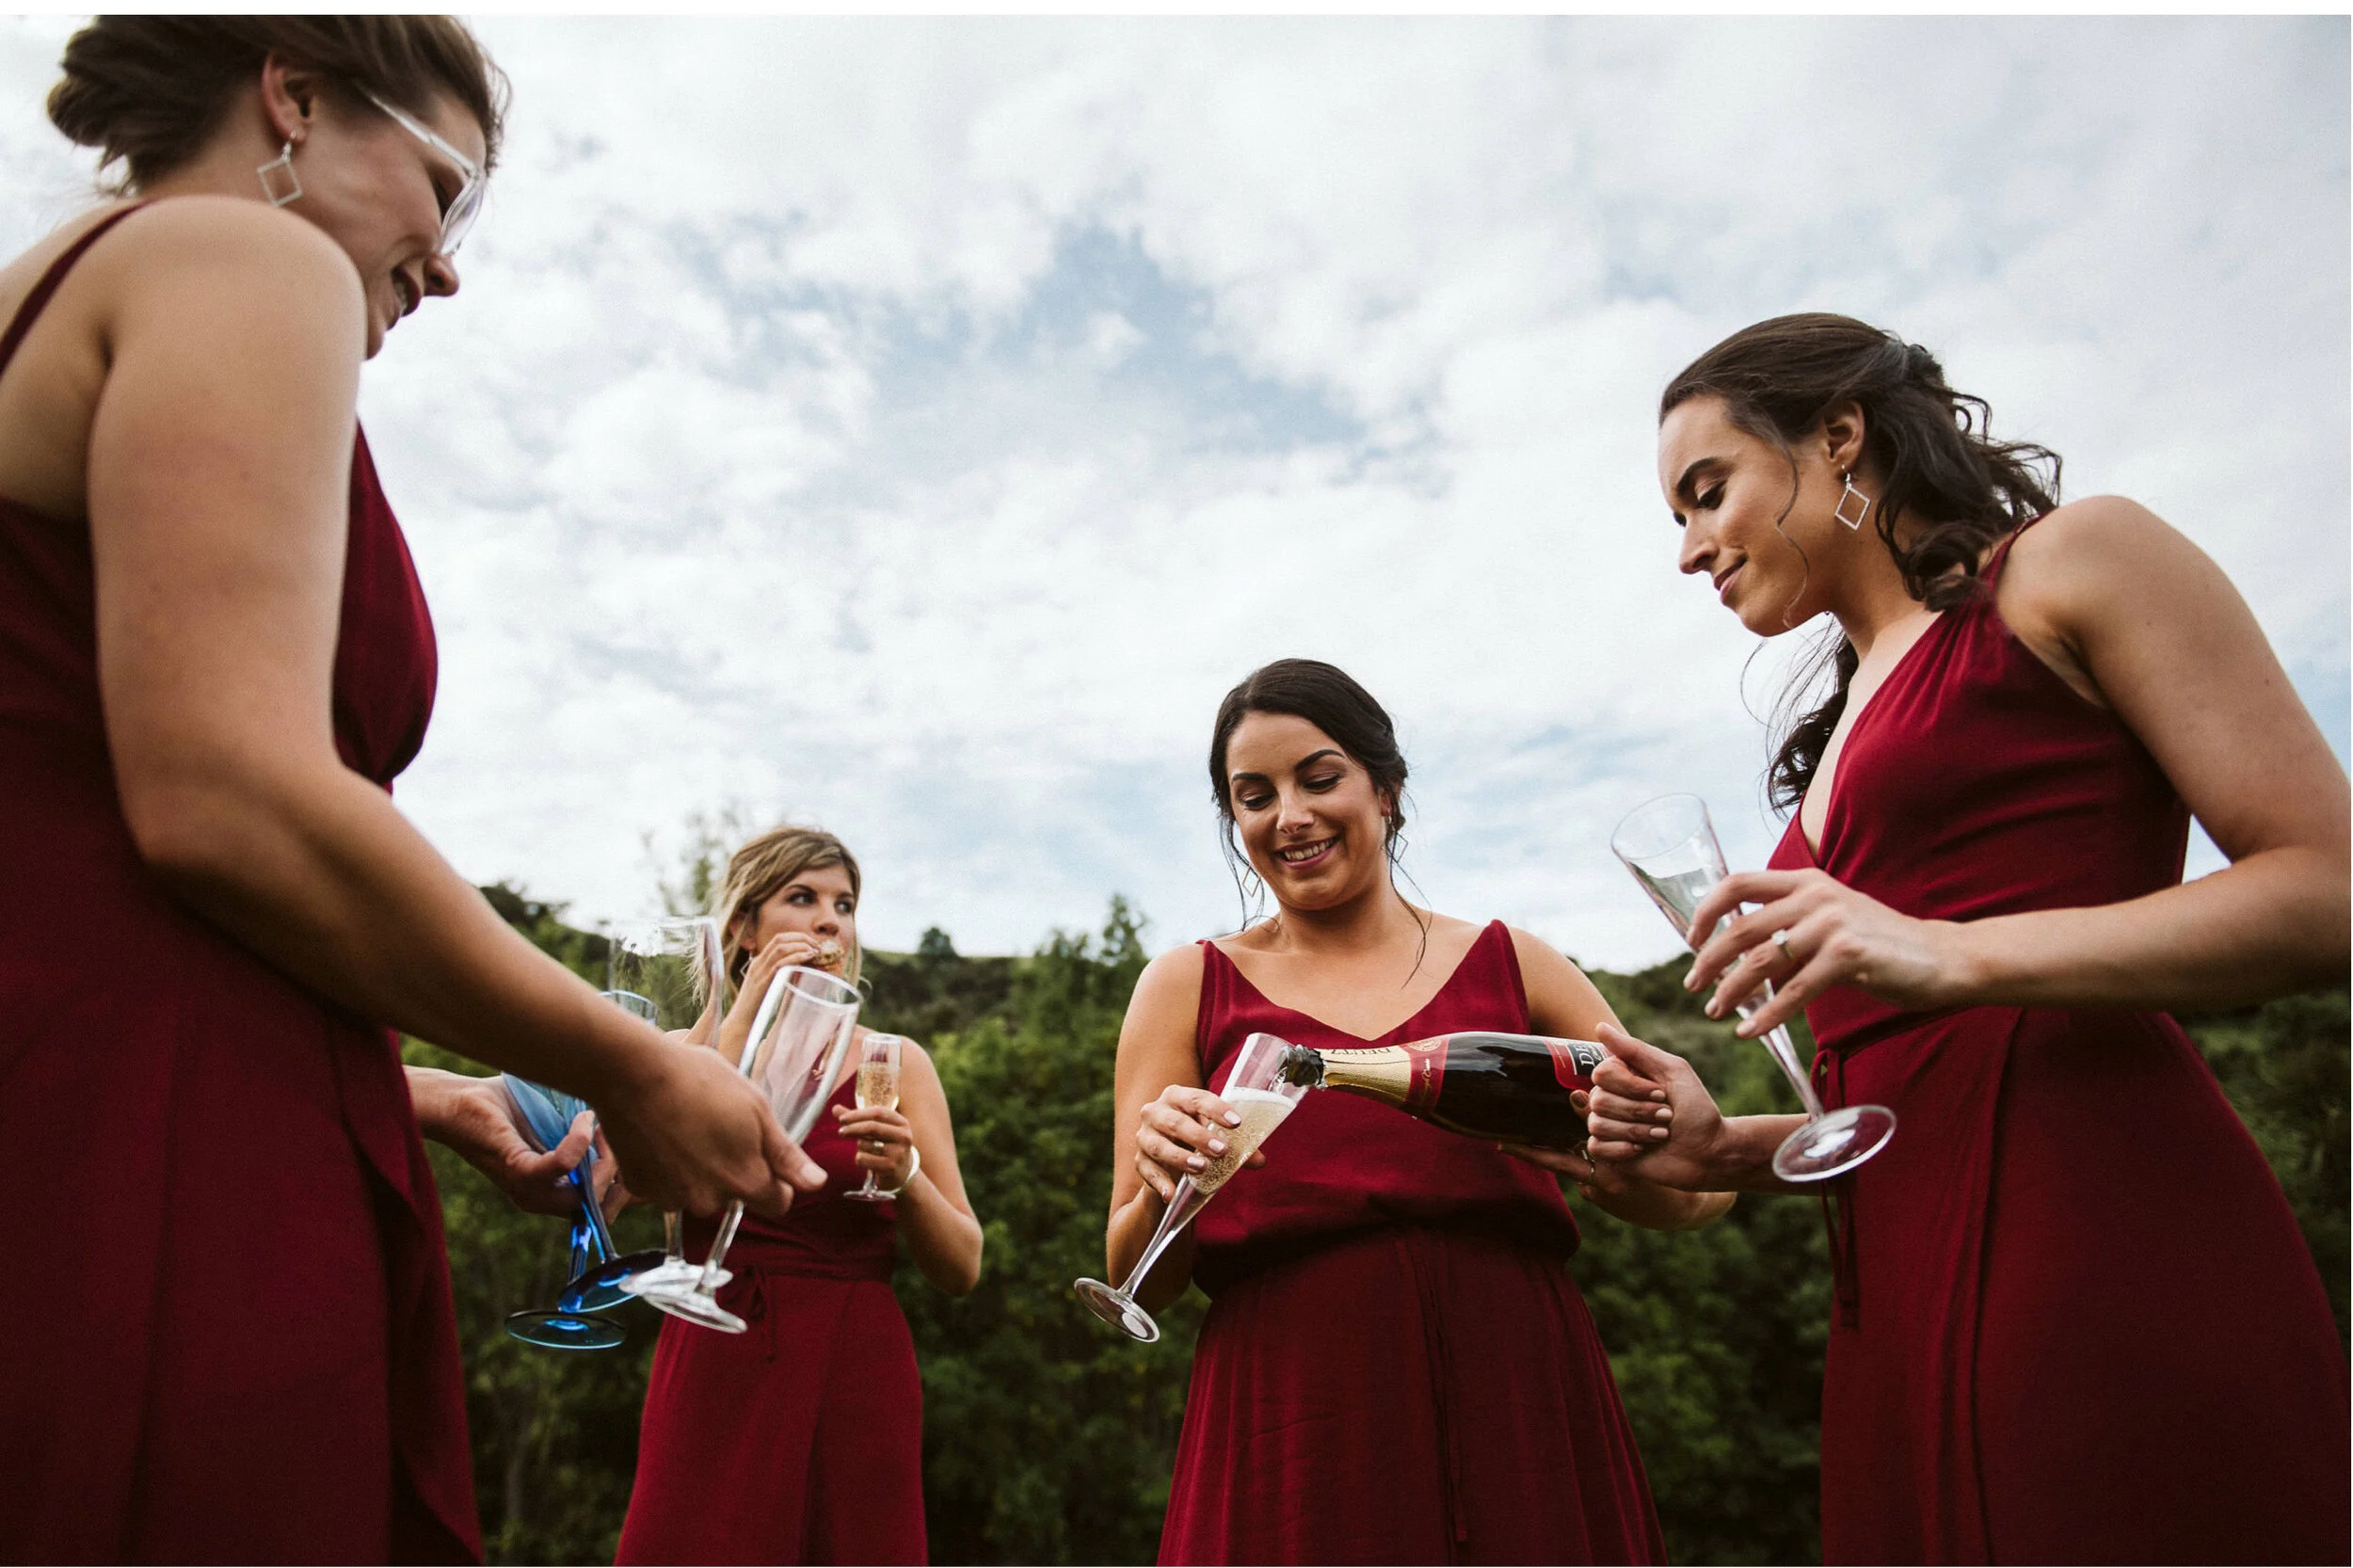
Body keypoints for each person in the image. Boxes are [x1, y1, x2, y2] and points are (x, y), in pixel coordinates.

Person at [0, 20, 821, 1562]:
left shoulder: (50, 298)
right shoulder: (246, 263)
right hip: (151, 1164)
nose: (447, 267)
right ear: (292, 101)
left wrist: (429, 1091)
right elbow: (224, 796)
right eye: (446, 188)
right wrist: (637, 1067)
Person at [1573, 313, 2349, 1563]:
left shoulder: (2074, 561)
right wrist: (1729, 1144)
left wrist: (1952, 949)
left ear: (1838, 438)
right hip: (1890, 1292)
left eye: (1706, 492)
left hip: (2090, 1235)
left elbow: (2328, 890)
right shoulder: (1830, 741)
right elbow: (1899, 1095)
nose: (1687, 549)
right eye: (1675, 516)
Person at [1110, 659, 1729, 1566]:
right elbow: (1136, 1276)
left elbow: (1692, 1191)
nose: (1291, 816)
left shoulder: (1515, 963)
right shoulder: (1183, 986)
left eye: (1320, 779)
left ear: (1387, 789)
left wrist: (1629, 1161)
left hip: (1516, 1388)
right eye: (1254, 796)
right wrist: (1164, 1188)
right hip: (1292, 1410)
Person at [618, 825, 983, 1566]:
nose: (830, 920)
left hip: (857, 1356)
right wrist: (744, 1014)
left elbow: (962, 1266)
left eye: (844, 904)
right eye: (802, 898)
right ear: (745, 929)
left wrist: (906, 1177)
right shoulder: (688, 1054)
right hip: (717, 1341)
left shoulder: (895, 1064)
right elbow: (651, 1188)